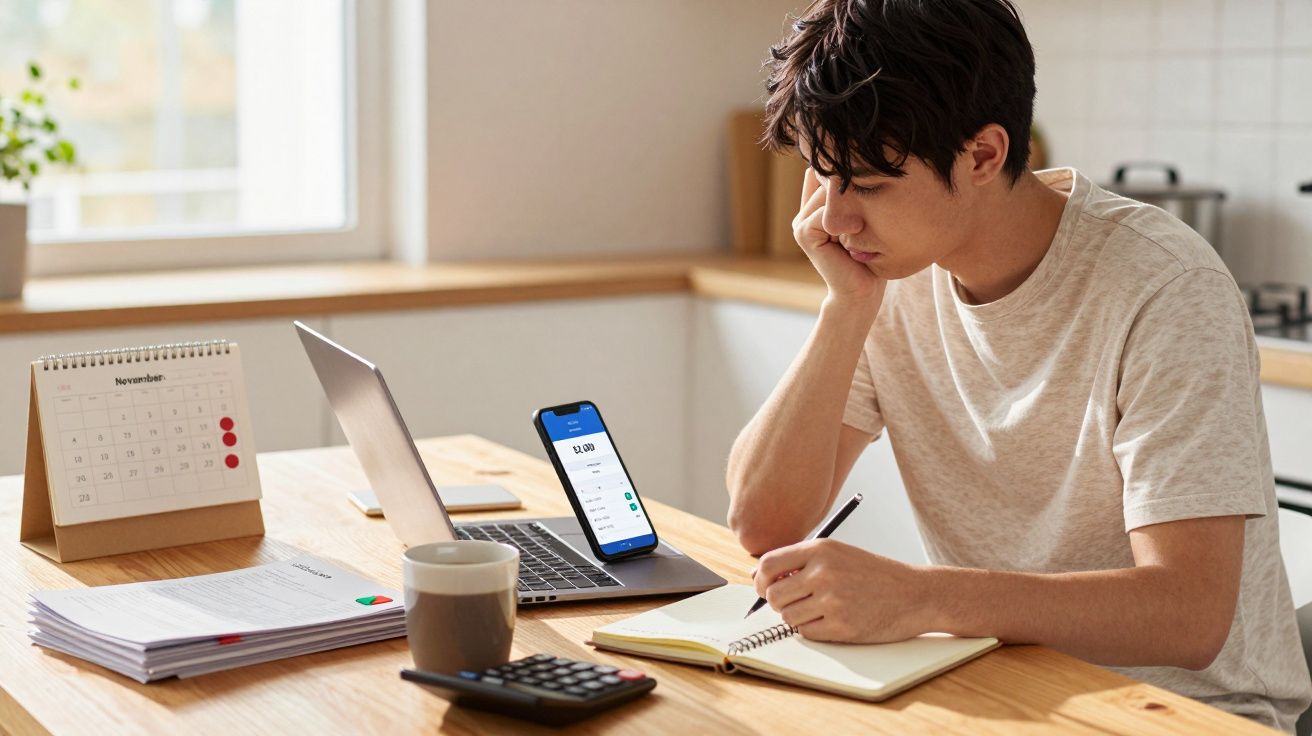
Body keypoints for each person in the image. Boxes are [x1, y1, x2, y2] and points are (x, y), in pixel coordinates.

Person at [724, 0, 1312, 730]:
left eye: (869, 184)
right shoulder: (888, 273)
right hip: (1007, 687)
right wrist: (844, 311)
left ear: (982, 155)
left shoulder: (1163, 287)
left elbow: (1188, 615)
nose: (835, 221)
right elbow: (762, 522)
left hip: (1194, 714)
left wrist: (923, 597)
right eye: (823, 175)